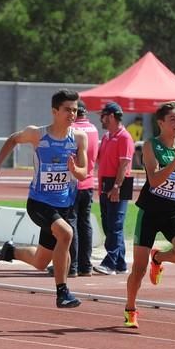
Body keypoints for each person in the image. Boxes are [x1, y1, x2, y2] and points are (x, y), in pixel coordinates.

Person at [0, 89, 87, 308]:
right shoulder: (37, 134)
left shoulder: (78, 137)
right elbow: (12, 139)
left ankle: (10, 251)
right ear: (54, 111)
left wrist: (75, 169)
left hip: (64, 204)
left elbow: (84, 173)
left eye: (75, 110)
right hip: (39, 203)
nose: (72, 114)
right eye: (67, 110)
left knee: (40, 261)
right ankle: (62, 292)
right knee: (66, 234)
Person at [123, 102, 175, 328]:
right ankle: (130, 308)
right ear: (161, 123)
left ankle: (159, 257)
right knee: (138, 270)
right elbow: (153, 181)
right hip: (150, 212)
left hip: (173, 211)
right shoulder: (150, 146)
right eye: (173, 119)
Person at [94, 102, 134, 275]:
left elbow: (124, 165)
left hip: (118, 184)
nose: (101, 119)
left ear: (110, 116)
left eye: (102, 116)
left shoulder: (124, 137)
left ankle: (109, 262)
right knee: (108, 224)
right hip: (105, 184)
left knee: (115, 225)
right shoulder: (107, 137)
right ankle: (120, 263)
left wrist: (117, 186)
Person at [67, 99, 99, 276]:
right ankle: (86, 265)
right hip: (89, 182)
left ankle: (71, 265)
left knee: (70, 223)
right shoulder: (93, 129)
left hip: (73, 182)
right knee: (85, 223)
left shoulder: (73, 131)